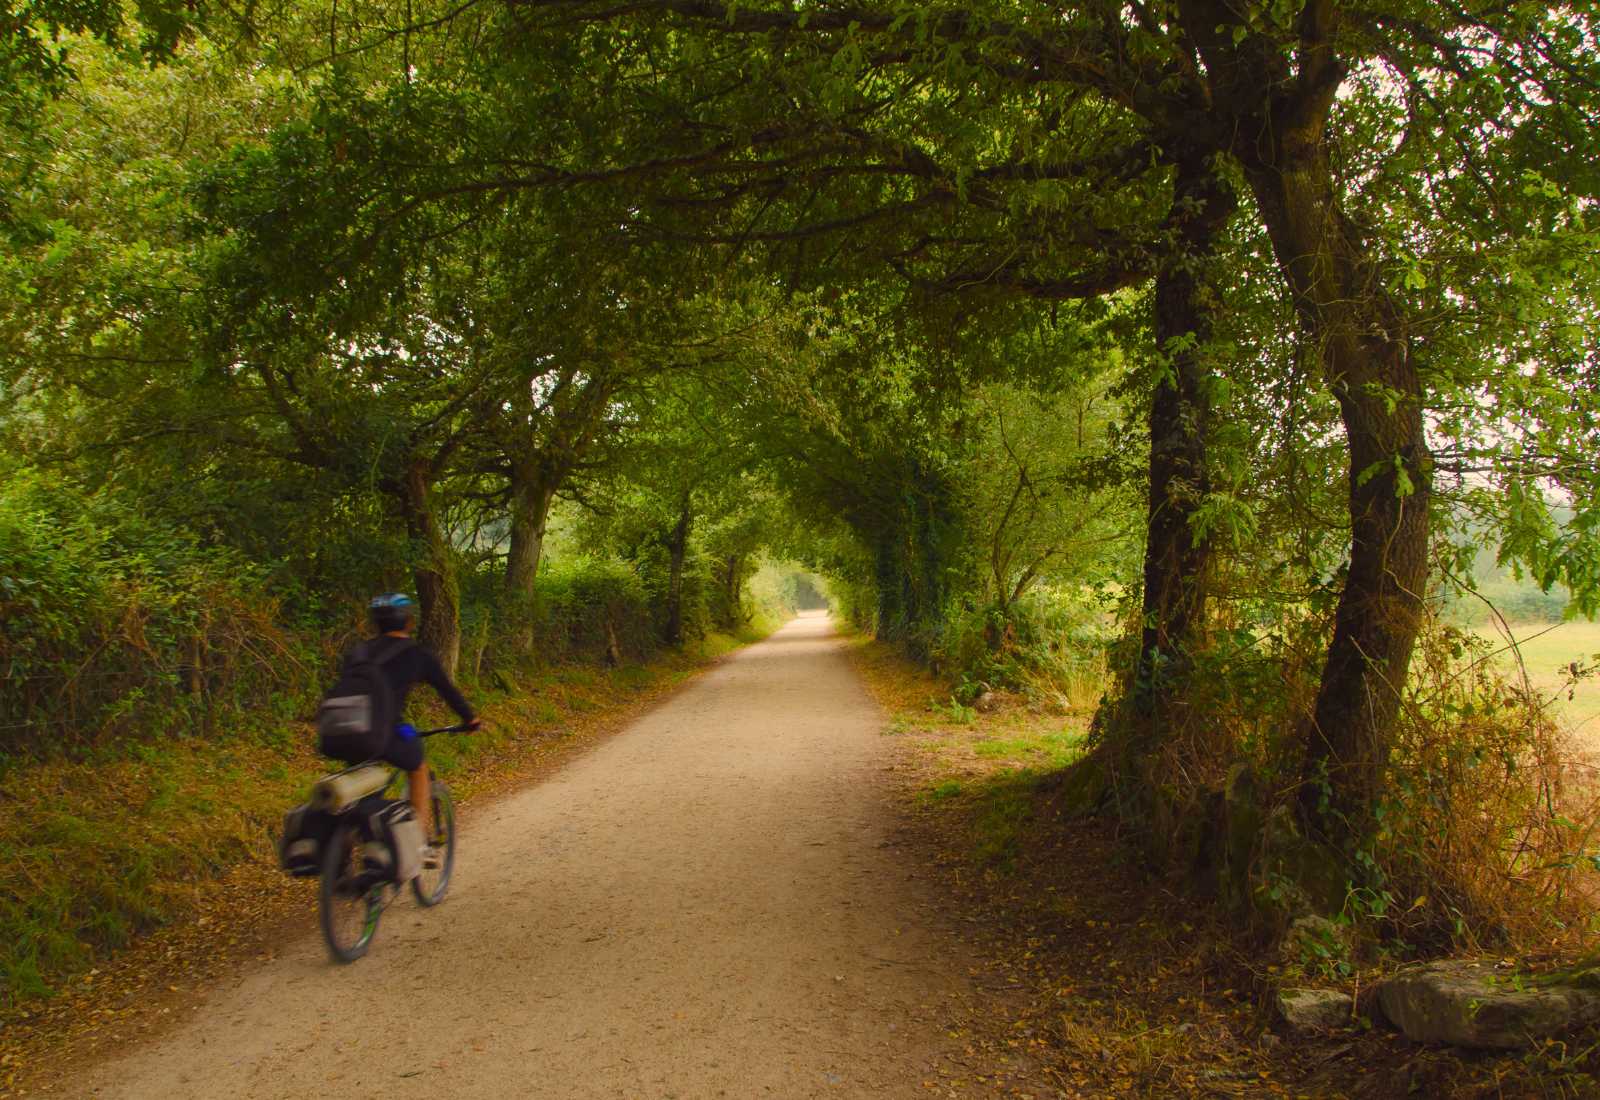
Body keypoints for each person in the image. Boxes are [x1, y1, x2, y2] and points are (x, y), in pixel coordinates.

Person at [359, 592, 481, 865]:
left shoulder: (359, 651)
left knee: (360, 786)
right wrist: (469, 718)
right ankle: (419, 844)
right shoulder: (416, 655)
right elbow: (448, 691)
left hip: (344, 729)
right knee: (418, 768)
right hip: (386, 730)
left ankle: (340, 858)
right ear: (409, 621)